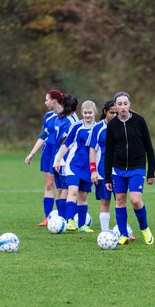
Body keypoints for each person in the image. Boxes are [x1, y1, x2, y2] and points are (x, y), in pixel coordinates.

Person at [105, 91, 155, 245]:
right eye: (119, 104)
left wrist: (151, 171)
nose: (122, 107)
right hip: (118, 168)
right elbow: (108, 152)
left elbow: (149, 147)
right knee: (119, 201)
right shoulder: (112, 125)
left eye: (125, 104)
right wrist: (107, 177)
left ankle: (144, 228)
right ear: (115, 106)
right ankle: (123, 234)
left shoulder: (139, 121)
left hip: (137, 166)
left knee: (135, 200)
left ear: (130, 104)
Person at [54, 100, 97, 232]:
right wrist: (57, 159)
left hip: (88, 168)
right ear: (81, 113)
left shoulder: (98, 128)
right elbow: (66, 144)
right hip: (73, 165)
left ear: (94, 112)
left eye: (90, 112)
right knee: (72, 192)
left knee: (83, 197)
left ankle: (82, 225)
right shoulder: (76, 127)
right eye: (85, 113)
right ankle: (70, 221)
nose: (88, 115)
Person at [25, 90, 64, 226]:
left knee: (61, 187)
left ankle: (62, 217)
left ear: (54, 100)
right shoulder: (48, 116)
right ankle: (47, 217)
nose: (46, 102)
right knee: (49, 185)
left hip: (62, 153)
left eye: (47, 100)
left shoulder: (69, 116)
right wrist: (32, 153)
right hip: (48, 153)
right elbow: (43, 136)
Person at [89, 100, 118, 231]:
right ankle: (105, 231)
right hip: (102, 171)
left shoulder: (122, 125)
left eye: (117, 113)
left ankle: (122, 230)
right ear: (105, 112)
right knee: (105, 201)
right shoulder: (98, 128)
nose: (115, 115)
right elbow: (92, 150)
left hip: (119, 170)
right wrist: (93, 171)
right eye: (112, 113)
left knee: (120, 201)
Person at [51, 95, 79, 220]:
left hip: (56, 156)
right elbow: (68, 141)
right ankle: (64, 218)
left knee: (61, 189)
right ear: (76, 107)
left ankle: (61, 218)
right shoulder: (71, 122)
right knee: (66, 190)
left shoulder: (59, 118)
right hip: (65, 158)